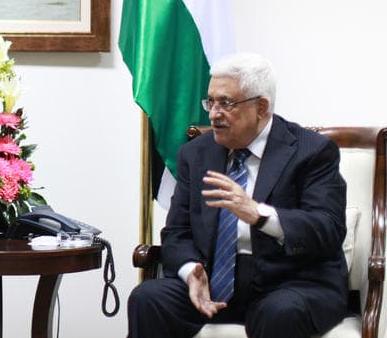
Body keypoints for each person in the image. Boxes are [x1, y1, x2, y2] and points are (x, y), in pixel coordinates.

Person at [127, 53, 348, 338]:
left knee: (280, 313)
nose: (214, 113)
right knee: (148, 298)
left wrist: (259, 214)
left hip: (289, 283)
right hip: (211, 284)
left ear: (261, 107)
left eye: (226, 103)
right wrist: (190, 270)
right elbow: (177, 232)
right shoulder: (196, 154)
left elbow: (327, 228)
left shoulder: (312, 152)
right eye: (211, 102)